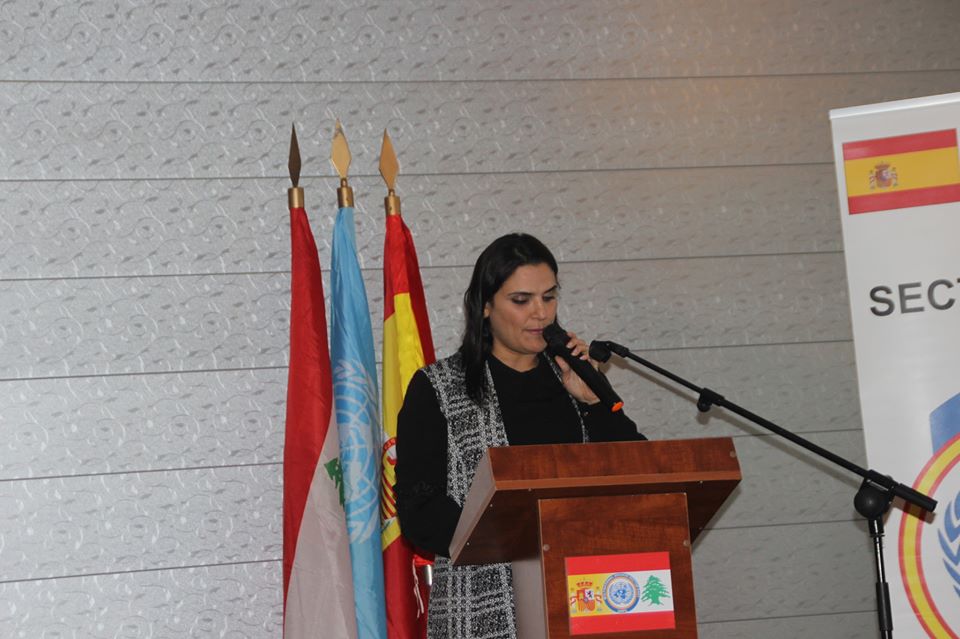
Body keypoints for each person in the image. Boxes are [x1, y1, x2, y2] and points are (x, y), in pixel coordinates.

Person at [396, 233, 645, 639]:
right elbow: (418, 508)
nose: (540, 313)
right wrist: (519, 541)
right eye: (521, 300)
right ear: (485, 305)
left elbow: (642, 474)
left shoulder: (573, 378)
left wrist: (593, 402)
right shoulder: (440, 387)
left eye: (549, 297)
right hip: (482, 607)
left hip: (587, 599)